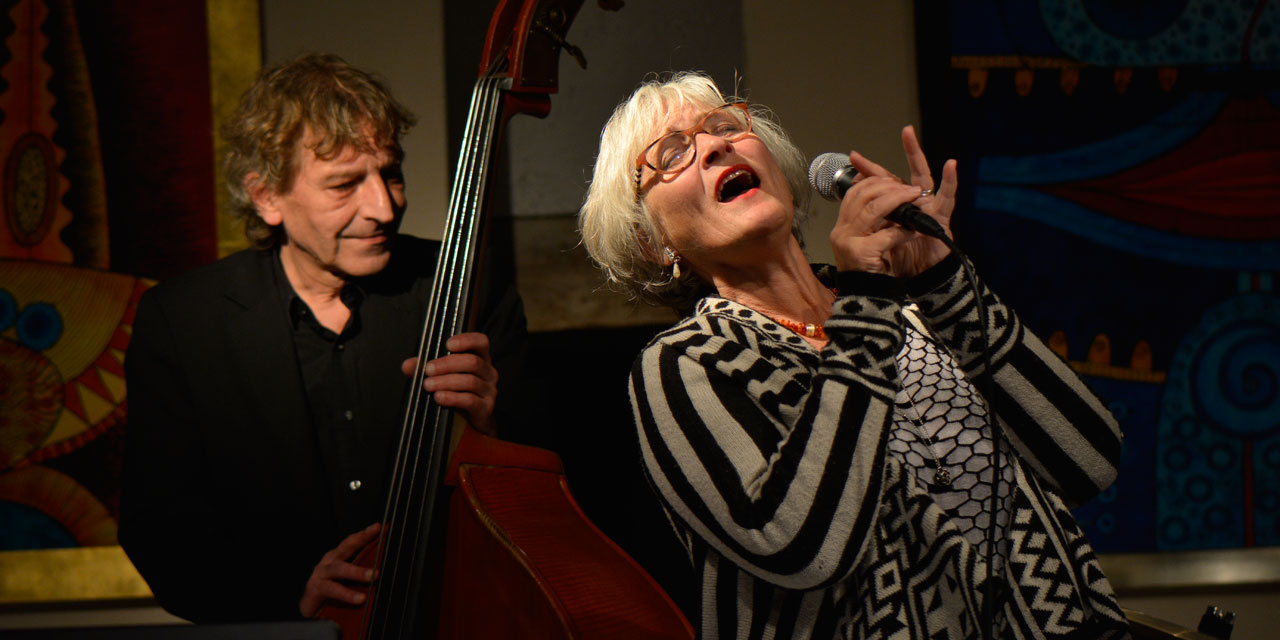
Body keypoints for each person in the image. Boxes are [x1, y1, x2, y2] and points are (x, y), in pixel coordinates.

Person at [578, 71, 1131, 640]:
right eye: (672, 153)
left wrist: (942, 284)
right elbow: (797, 546)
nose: (715, 145)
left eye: (723, 126)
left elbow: (1091, 461)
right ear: (653, 242)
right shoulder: (686, 363)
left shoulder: (919, 314)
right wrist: (865, 303)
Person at [119, 53, 528, 623]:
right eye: (344, 184)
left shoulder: (468, 286)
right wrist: (286, 597)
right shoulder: (182, 320)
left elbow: (551, 480)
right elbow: (158, 530)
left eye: (390, 173)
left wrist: (492, 426)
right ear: (266, 196)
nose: (384, 207)